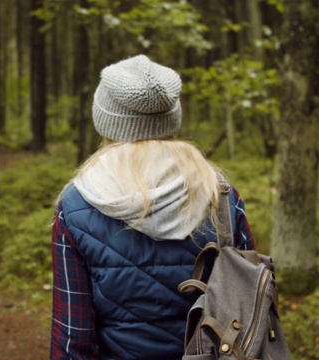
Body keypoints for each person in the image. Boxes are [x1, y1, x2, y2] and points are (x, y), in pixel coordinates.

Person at [49, 55, 255, 360]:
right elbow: (250, 306)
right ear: (172, 117)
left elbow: (73, 337)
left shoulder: (77, 203)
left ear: (105, 119)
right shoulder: (220, 195)